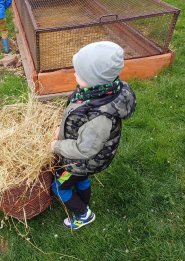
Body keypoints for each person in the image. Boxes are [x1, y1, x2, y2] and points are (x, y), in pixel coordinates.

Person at [50, 41, 136, 230]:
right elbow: (79, 121)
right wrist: (61, 130)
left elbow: (84, 149)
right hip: (85, 163)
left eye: (79, 73)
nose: (74, 75)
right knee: (81, 178)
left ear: (95, 78)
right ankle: (84, 201)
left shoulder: (100, 117)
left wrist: (55, 146)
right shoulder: (96, 92)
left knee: (58, 186)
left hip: (83, 160)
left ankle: (83, 214)